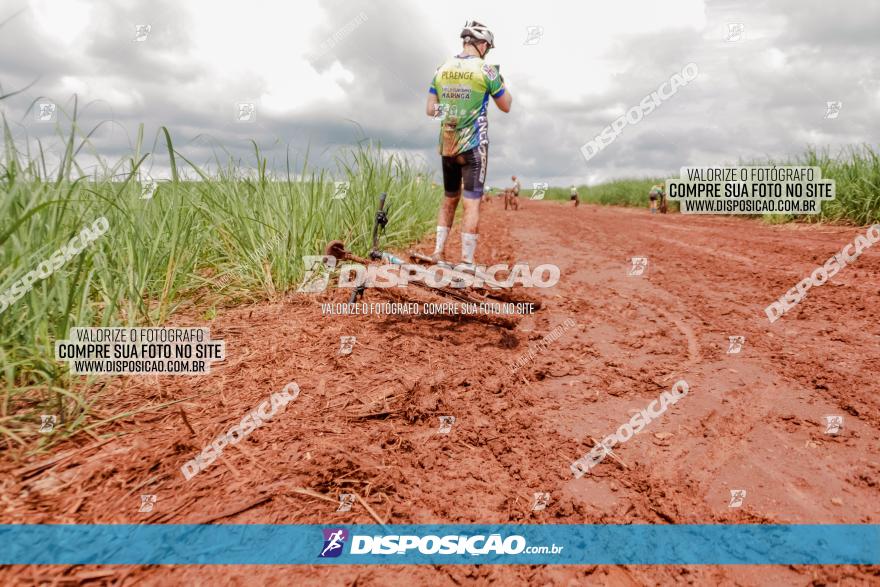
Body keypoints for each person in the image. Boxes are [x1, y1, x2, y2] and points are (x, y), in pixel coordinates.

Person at [426, 21, 512, 266]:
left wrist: (453, 111)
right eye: (489, 47)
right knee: (471, 202)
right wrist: (499, 82)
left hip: (448, 144)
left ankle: (438, 253)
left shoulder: (441, 68)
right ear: (483, 44)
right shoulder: (487, 70)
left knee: (448, 199)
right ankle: (466, 262)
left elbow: (430, 110)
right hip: (474, 145)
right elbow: (506, 105)